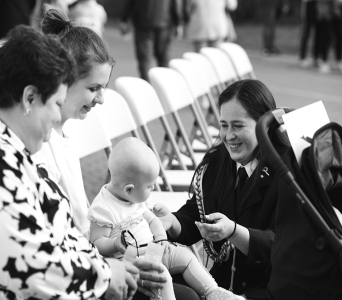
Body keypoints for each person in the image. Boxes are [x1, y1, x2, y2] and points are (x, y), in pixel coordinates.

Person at [0, 25, 139, 300]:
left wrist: (108, 265)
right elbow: (26, 263)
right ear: (30, 98)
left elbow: (57, 235)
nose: (58, 119)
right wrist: (104, 275)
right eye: (57, 105)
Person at [34, 6, 201, 300]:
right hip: (81, 271)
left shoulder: (64, 132)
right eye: (93, 88)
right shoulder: (41, 145)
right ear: (63, 79)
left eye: (104, 87)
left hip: (96, 255)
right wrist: (110, 262)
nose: (101, 99)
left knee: (186, 278)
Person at [153, 79, 290, 299]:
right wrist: (172, 221)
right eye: (224, 125)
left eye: (238, 125)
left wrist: (234, 232)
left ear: (265, 125)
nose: (228, 135)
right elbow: (197, 214)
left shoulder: (287, 170)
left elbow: (284, 244)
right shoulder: (219, 162)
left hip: (268, 287)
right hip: (222, 285)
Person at [88, 137, 244, 300]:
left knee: (186, 256)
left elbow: (153, 220)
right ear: (129, 189)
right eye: (149, 186)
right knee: (162, 278)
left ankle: (213, 292)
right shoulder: (103, 208)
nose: (154, 188)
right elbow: (96, 243)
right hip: (131, 263)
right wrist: (114, 244)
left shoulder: (133, 199)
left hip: (152, 250)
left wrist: (161, 237)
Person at [120, 0, 183, 81]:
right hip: (164, 23)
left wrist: (124, 19)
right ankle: (165, 87)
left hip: (143, 22)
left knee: (145, 59)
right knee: (163, 58)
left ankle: (147, 87)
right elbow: (176, 2)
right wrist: (178, 22)